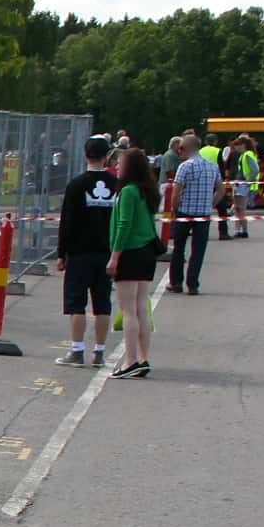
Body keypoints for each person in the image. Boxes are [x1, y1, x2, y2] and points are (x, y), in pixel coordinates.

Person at [54, 135, 119, 369]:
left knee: (76, 303)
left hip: (80, 251)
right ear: (107, 156)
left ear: (85, 155)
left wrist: (61, 252)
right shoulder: (116, 185)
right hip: (106, 251)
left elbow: (67, 221)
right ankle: (99, 352)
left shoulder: (77, 184)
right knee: (102, 303)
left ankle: (77, 349)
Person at [106, 147, 161, 379]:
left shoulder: (128, 191)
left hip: (130, 251)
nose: (117, 167)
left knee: (127, 310)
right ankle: (142, 357)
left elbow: (124, 224)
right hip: (147, 250)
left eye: (120, 164)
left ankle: (129, 360)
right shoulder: (147, 191)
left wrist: (115, 256)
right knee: (141, 307)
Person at [167, 134, 223, 295]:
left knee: (178, 248)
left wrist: (174, 209)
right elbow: (220, 190)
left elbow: (176, 193)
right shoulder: (212, 166)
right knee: (198, 251)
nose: (179, 152)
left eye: (181, 148)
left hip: (185, 212)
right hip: (203, 214)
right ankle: (193, 284)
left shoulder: (185, 166)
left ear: (188, 148)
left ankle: (176, 282)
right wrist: (210, 203)